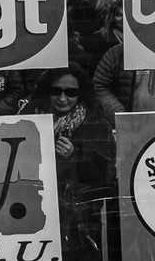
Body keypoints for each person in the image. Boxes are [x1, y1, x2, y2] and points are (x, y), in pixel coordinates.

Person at [31, 66, 115, 261]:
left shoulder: (95, 121)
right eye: (55, 91)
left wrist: (75, 155)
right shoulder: (29, 116)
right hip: (36, 208)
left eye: (70, 92)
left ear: (80, 93)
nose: (62, 99)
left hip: (80, 219)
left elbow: (108, 173)